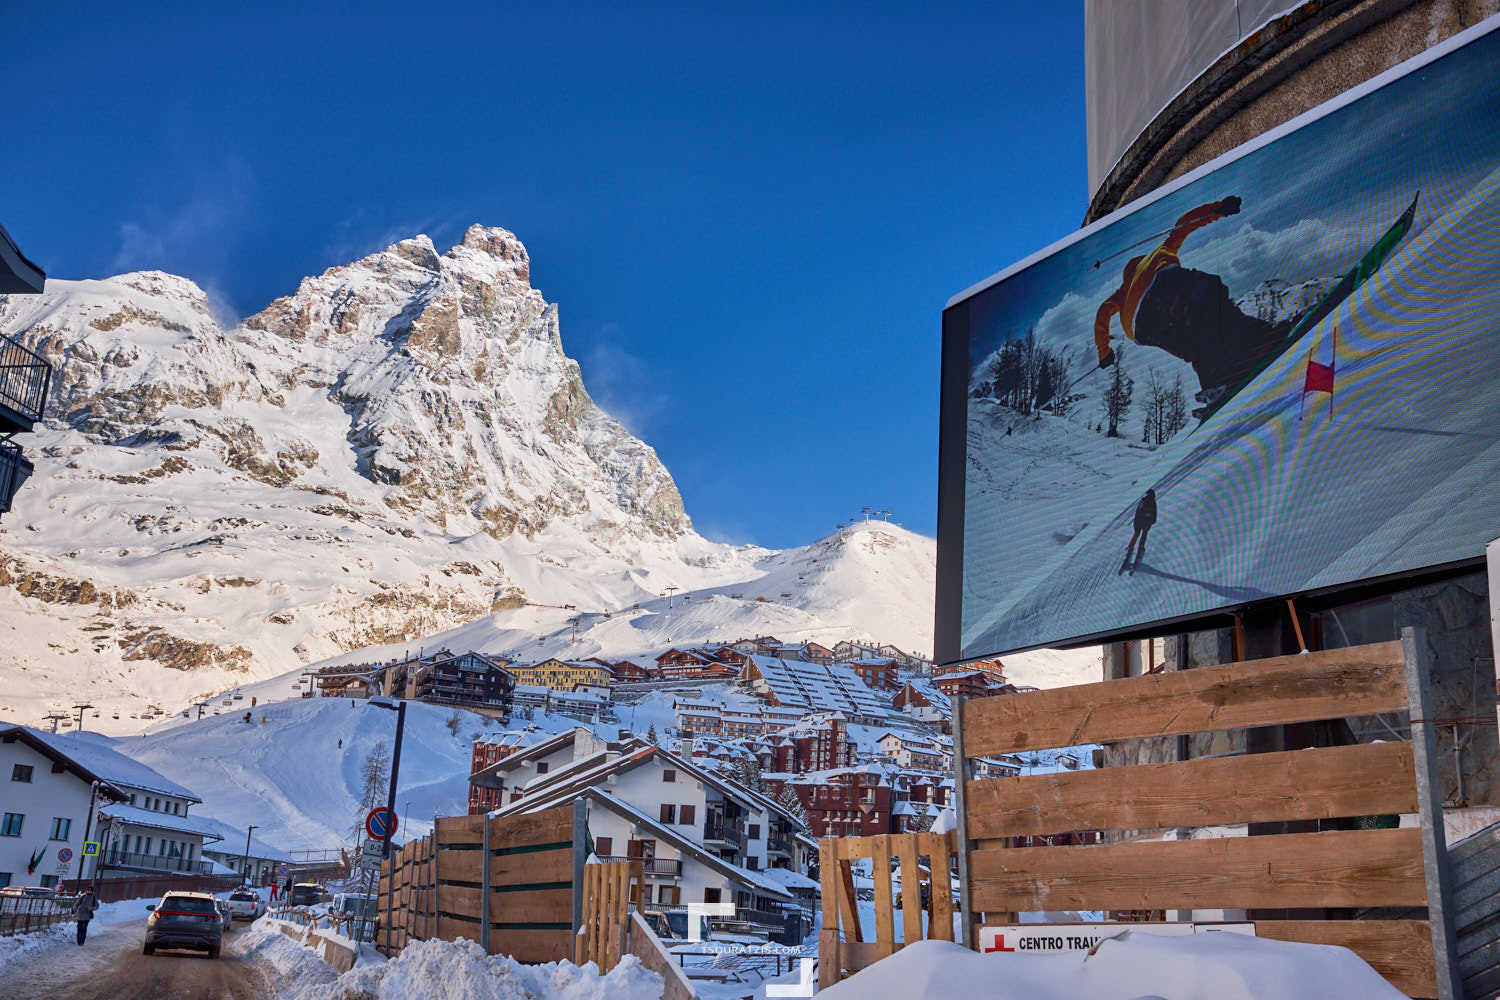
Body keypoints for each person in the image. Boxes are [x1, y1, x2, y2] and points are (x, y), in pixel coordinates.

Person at [1095, 196, 1289, 410]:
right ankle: (1261, 336)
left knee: (1189, 343)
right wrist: (1219, 209)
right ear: (1141, 261)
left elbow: (1103, 313)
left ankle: (1214, 383)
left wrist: (1104, 353)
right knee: (1214, 302)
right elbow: (1183, 225)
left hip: (1141, 329)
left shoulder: (1121, 292)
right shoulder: (1158, 254)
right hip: (1164, 285)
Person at [1122, 489, 1157, 573]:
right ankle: (1140, 549)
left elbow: (1138, 511)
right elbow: (1154, 516)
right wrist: (1151, 521)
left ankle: (1130, 548)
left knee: (1136, 534)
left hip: (1137, 521)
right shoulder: (1153, 502)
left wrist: (1136, 520)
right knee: (1144, 536)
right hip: (1146, 523)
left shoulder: (1143, 500)